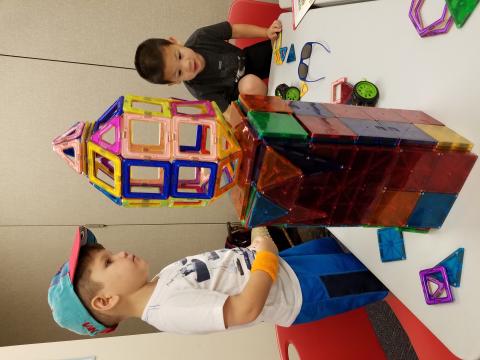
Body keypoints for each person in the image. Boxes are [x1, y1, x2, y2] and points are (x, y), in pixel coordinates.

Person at [48, 226, 388, 336]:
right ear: (105, 301)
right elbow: (246, 309)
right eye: (109, 262)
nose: (121, 253)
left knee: (364, 253)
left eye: (111, 251)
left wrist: (259, 245)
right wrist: (266, 250)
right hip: (299, 290)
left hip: (286, 266)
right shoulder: (168, 310)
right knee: (380, 275)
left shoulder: (162, 279)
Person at [134, 21, 282, 112]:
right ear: (175, 82)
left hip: (247, 59)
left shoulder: (201, 36)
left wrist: (265, 32)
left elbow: (235, 30)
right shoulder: (199, 90)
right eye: (179, 73)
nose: (187, 64)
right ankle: (277, 106)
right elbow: (228, 113)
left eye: (179, 56)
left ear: (175, 42)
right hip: (241, 91)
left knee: (279, 43)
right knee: (250, 83)